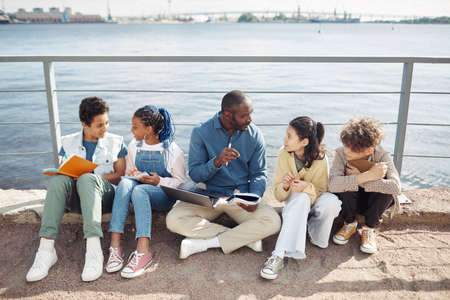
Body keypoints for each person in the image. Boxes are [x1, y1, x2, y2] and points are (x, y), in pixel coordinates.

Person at [166, 90, 281, 259]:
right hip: (209, 195)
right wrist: (216, 162)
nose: (250, 119)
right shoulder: (201, 132)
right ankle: (245, 238)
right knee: (174, 219)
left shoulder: (254, 134)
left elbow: (259, 173)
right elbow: (196, 175)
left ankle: (205, 243)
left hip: (240, 197)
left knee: (273, 222)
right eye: (244, 116)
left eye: (250, 114)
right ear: (228, 115)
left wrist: (254, 197)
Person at [26, 97, 127, 282]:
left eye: (107, 123)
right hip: (78, 199)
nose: (105, 128)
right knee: (58, 180)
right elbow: (65, 172)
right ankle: (46, 251)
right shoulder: (68, 143)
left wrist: (94, 178)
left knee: (88, 179)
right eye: (99, 125)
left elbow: (121, 175)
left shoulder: (116, 142)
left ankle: (94, 251)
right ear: (84, 124)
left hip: (105, 198)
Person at [106, 105, 186, 278]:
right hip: (140, 190)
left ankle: (143, 252)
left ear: (148, 129)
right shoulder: (135, 145)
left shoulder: (172, 150)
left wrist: (159, 181)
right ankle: (115, 246)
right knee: (125, 184)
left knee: (139, 191)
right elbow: (129, 173)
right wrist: (134, 175)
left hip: (164, 196)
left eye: (135, 126)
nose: (131, 130)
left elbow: (181, 182)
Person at [260, 116, 341, 280]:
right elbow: (278, 195)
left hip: (314, 204)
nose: (284, 139)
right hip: (295, 203)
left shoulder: (321, 158)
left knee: (332, 202)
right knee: (301, 198)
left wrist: (306, 188)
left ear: (304, 142)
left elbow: (321, 189)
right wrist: (284, 186)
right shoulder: (284, 154)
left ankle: (311, 229)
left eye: (289, 136)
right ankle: (278, 255)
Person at [329, 117, 401, 254]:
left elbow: (396, 187)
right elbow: (332, 184)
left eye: (352, 149)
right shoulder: (341, 153)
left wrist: (364, 180)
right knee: (344, 184)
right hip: (350, 202)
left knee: (386, 190)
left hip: (373, 203)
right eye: (345, 145)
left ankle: (368, 228)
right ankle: (349, 223)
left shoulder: (382, 155)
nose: (346, 151)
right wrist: (365, 176)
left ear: (369, 151)